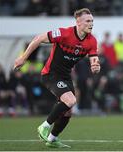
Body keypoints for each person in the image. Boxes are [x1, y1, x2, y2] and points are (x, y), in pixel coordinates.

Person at [13, 8, 100, 148]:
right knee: (71, 100)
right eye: (88, 21)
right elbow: (39, 38)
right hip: (50, 74)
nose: (91, 24)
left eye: (92, 21)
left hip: (65, 76)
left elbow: (94, 61)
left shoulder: (92, 41)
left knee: (68, 110)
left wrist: (96, 67)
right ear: (78, 22)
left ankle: (52, 139)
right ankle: (44, 126)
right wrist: (24, 58)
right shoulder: (64, 33)